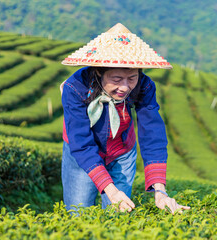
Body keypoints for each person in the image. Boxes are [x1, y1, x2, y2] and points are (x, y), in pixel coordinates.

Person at [60, 23, 190, 214]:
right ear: (98, 71)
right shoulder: (75, 88)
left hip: (121, 151)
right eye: (117, 79)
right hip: (81, 153)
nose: (125, 87)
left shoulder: (144, 86)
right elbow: (81, 143)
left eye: (132, 78)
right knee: (78, 211)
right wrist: (110, 190)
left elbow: (152, 135)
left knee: (117, 214)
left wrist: (160, 191)